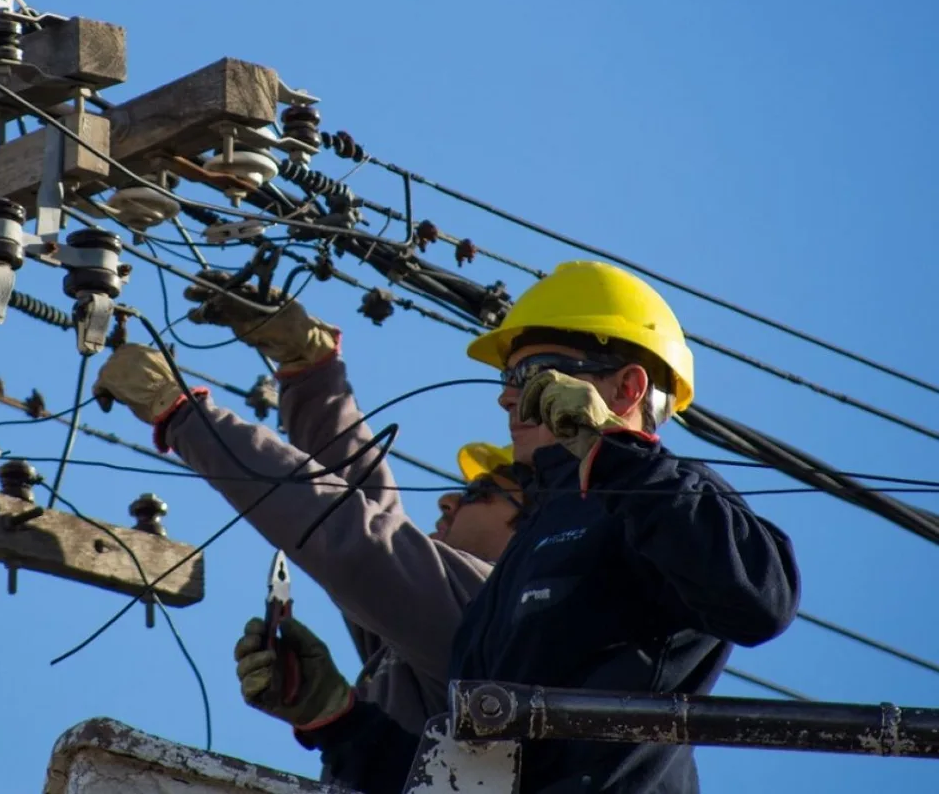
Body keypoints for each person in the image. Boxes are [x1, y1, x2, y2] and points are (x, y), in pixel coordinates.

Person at [227, 260, 803, 794]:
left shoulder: (663, 496)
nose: (508, 396)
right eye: (507, 377)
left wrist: (617, 455)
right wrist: (335, 718)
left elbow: (759, 599)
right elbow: (465, 775)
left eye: (530, 374)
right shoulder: (522, 562)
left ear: (626, 389)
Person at [92, 283, 522, 744]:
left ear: (531, 528)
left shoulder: (494, 612)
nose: (448, 501)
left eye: (480, 491)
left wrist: (183, 416)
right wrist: (311, 371)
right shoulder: (429, 635)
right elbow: (362, 500)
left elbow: (354, 539)